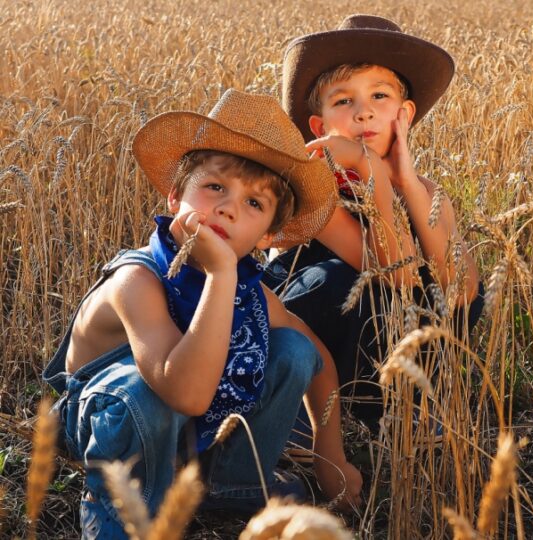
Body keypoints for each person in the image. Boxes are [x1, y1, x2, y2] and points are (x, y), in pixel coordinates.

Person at [42, 89, 362, 539]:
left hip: (188, 423)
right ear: (175, 197)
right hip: (110, 425)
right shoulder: (138, 282)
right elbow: (185, 394)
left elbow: (317, 359)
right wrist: (220, 274)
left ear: (267, 236)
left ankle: (232, 485)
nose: (229, 207)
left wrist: (334, 460)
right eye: (215, 187)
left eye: (254, 204)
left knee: (289, 348)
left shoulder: (246, 288)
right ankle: (125, 520)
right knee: (143, 389)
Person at [265, 15, 483, 435]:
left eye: (379, 97)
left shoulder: (424, 191)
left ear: (404, 115)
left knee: (450, 288)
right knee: (340, 280)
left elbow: (464, 289)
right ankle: (303, 417)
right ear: (319, 126)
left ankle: (401, 405)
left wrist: (404, 183)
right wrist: (373, 172)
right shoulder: (313, 192)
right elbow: (396, 271)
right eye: (343, 102)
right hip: (312, 345)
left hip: (386, 352)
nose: (363, 112)